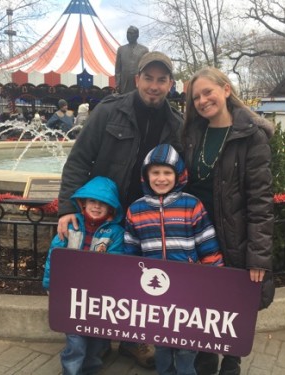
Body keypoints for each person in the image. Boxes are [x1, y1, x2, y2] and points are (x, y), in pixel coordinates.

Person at [56, 51, 182, 369]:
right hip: (105, 213)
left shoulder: (176, 123)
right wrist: (66, 209)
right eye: (149, 78)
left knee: (139, 279)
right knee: (97, 276)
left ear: (170, 84)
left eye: (162, 79)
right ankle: (96, 337)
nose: (154, 86)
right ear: (136, 79)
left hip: (147, 216)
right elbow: (79, 160)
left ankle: (132, 339)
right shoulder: (109, 112)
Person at [182, 67, 275, 375]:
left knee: (233, 307)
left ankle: (231, 363)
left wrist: (258, 256)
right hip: (197, 234)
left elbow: (260, 201)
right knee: (202, 304)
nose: (203, 100)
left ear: (225, 89)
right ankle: (205, 359)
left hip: (234, 235)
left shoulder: (252, 136)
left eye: (208, 92)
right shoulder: (193, 134)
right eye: (196, 97)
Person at [124, 143, 224, 375]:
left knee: (188, 345)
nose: (161, 178)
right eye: (155, 172)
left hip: (189, 289)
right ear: (146, 175)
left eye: (167, 172)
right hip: (153, 291)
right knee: (160, 343)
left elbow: (207, 244)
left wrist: (215, 281)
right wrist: (130, 286)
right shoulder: (135, 210)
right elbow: (130, 252)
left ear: (178, 175)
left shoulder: (191, 204)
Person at [42, 176, 124, 375]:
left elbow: (117, 263)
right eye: (93, 201)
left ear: (112, 208)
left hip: (99, 297)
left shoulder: (115, 233)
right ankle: (71, 371)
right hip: (72, 296)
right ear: (83, 203)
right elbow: (55, 257)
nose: (97, 206)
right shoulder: (70, 226)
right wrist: (51, 285)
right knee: (76, 341)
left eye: (103, 203)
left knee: (96, 340)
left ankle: (90, 369)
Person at [115, 26, 149, 94]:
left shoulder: (144, 50)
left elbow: (146, 68)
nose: (129, 35)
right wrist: (118, 83)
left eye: (131, 33)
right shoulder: (121, 49)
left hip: (138, 82)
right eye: (128, 33)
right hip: (124, 83)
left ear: (137, 35)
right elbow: (118, 69)